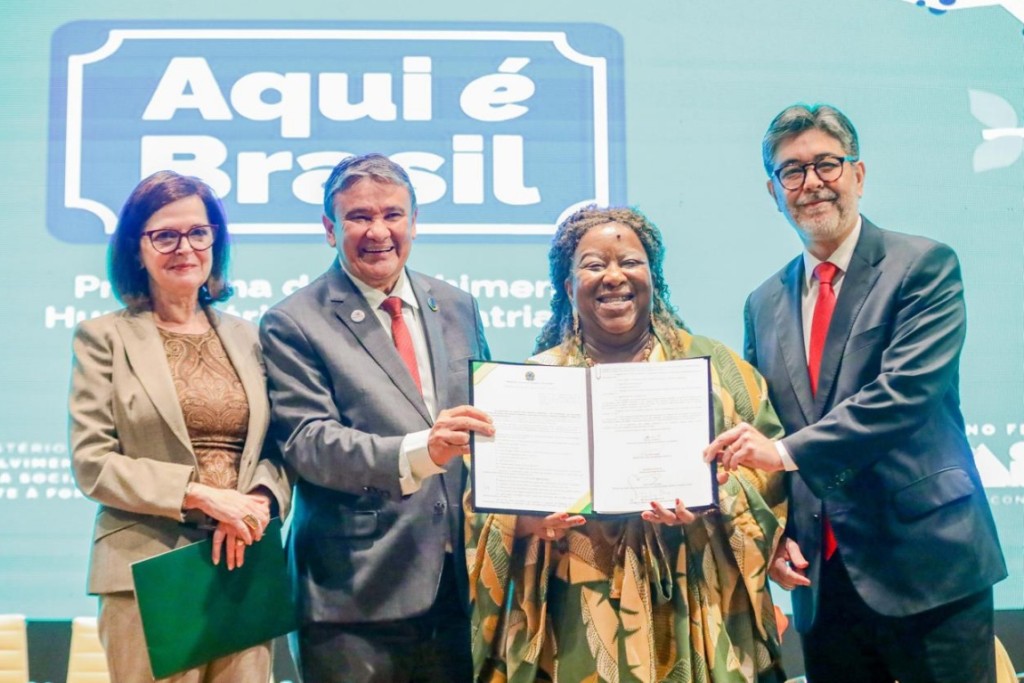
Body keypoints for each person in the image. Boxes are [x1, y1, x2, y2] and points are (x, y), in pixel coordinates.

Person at [705, 103, 1007, 683]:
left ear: (858, 174)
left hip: (929, 565)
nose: (812, 182)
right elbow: (764, 425)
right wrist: (774, 534)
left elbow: (905, 394)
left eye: (827, 164)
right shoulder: (762, 302)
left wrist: (783, 454)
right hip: (823, 582)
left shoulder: (923, 266)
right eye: (792, 171)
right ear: (773, 191)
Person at [468, 205, 788, 683]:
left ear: (653, 278)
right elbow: (483, 507)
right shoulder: (533, 383)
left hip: (694, 596)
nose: (614, 276)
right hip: (572, 610)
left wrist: (713, 495)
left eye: (631, 262)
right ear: (568, 287)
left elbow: (770, 470)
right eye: (594, 265)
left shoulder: (717, 369)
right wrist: (529, 522)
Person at [259, 153, 494, 683]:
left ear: (415, 222)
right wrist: (420, 452)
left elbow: (486, 420)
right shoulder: (293, 321)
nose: (378, 231)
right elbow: (309, 441)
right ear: (329, 229)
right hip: (353, 597)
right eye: (359, 217)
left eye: (392, 215)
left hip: (458, 589)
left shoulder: (457, 305)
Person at [68, 171, 292, 681]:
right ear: (137, 248)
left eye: (198, 233)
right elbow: (92, 462)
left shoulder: (252, 338)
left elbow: (279, 446)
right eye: (165, 235)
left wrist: (260, 501)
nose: (184, 248)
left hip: (242, 561)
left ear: (216, 240)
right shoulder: (102, 338)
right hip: (149, 570)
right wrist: (201, 496)